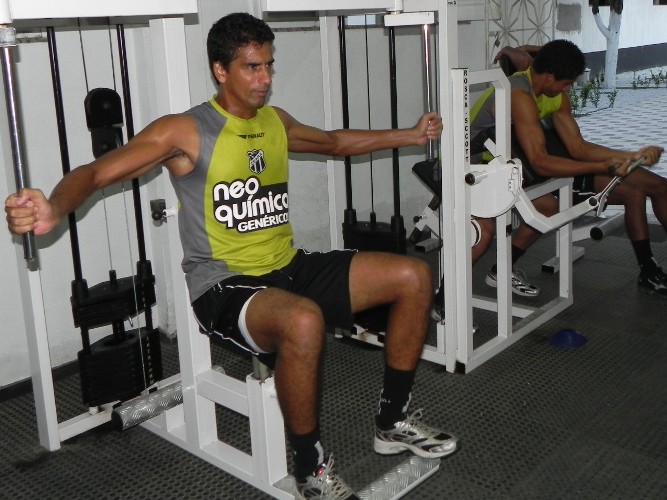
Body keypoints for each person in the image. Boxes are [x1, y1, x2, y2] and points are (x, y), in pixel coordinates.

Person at [5, 12, 458, 500]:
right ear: (220, 70)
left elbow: (333, 143)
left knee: (413, 274)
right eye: (251, 67)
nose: (265, 79)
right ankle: (310, 468)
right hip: (223, 285)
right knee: (303, 322)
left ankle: (391, 421)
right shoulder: (185, 131)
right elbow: (95, 174)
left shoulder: (275, 120)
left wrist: (409, 136)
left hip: (288, 266)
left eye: (269, 66)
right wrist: (52, 206)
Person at [470, 40, 666, 297]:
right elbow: (539, 160)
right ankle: (500, 270)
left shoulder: (552, 92)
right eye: (566, 83)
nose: (569, 88)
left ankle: (648, 270)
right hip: (480, 166)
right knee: (549, 207)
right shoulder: (518, 94)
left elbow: (577, 146)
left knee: (644, 189)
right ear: (549, 76)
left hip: (519, 160)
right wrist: (605, 164)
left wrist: (630, 155)